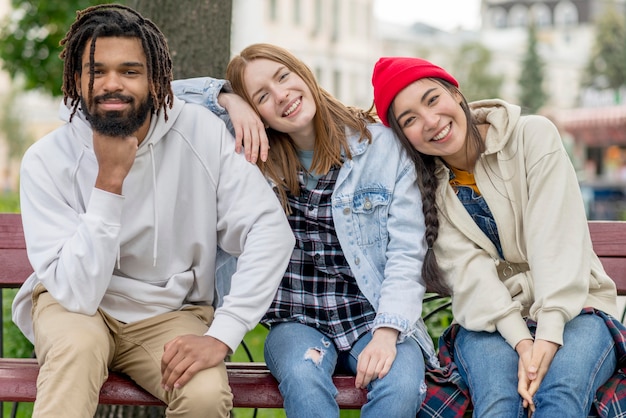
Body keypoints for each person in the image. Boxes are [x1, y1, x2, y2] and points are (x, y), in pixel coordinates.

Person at [11, 5, 294, 418]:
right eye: (97, 71)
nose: (112, 85)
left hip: (170, 314)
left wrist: (223, 334)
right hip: (76, 307)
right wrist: (109, 181)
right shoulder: (47, 159)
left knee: (204, 396)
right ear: (76, 79)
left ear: (156, 80)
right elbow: (76, 292)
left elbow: (270, 230)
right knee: (74, 354)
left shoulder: (201, 133)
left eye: (129, 71)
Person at [174, 43, 450, 418]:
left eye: (283, 77)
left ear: (302, 72)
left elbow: (407, 252)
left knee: (401, 388)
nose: (281, 95)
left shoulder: (381, 146)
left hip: (373, 315)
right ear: (257, 114)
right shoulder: (252, 154)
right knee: (303, 379)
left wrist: (388, 333)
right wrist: (226, 98)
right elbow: (162, 96)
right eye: (262, 96)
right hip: (296, 319)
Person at [370, 56, 621, 417]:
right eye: (409, 120)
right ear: (402, 135)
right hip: (489, 322)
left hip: (577, 309)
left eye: (431, 100)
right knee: (499, 401)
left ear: (455, 94)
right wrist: (523, 344)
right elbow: (472, 276)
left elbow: (556, 242)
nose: (430, 122)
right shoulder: (425, 189)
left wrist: (545, 338)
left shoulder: (531, 136)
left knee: (560, 392)